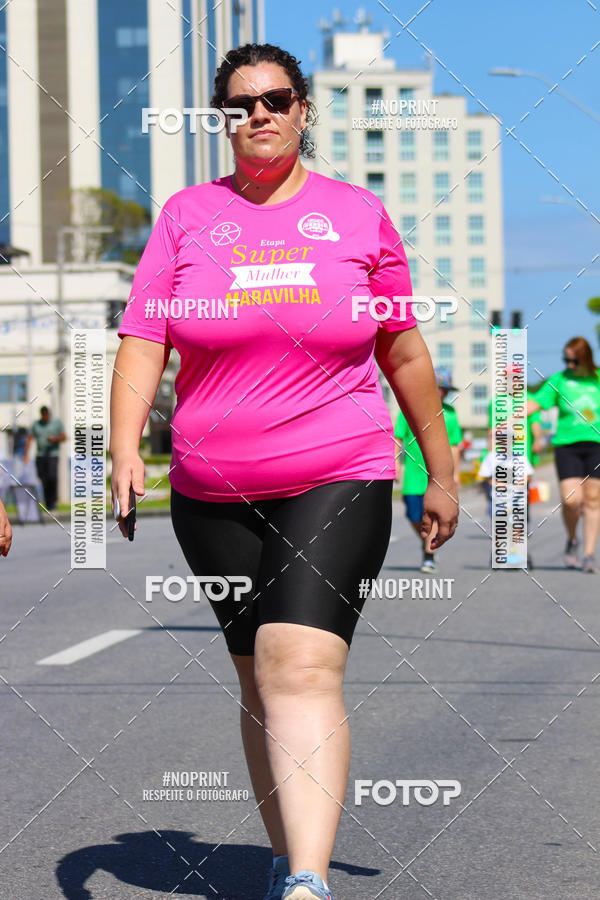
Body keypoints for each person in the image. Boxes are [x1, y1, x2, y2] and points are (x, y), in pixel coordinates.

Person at [110, 43, 458, 900]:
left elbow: (402, 349)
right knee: (256, 673)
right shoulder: (189, 217)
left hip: (339, 469)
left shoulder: (357, 215)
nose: (258, 114)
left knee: (298, 666)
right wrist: (121, 447)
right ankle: (286, 856)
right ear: (221, 120)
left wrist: (440, 469)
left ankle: (305, 881)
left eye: (275, 99)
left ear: (304, 110)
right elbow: (145, 335)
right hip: (210, 489)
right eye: (239, 103)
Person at [528, 337, 600, 573]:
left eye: (574, 360)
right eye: (565, 360)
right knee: (571, 500)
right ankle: (573, 540)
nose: (569, 364)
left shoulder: (597, 379)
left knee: (593, 500)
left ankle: (589, 554)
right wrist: (510, 417)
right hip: (567, 446)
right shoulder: (559, 380)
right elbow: (536, 403)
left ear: (586, 358)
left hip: (596, 446)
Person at [394, 367, 462, 573]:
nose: (442, 392)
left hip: (438, 474)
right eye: (438, 387)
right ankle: (426, 540)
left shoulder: (450, 414)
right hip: (414, 474)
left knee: (432, 515)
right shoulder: (408, 408)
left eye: (445, 389)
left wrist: (455, 473)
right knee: (413, 515)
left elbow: (454, 445)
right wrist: (396, 462)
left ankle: (428, 554)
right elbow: (397, 437)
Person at [24, 405, 65, 510]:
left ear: (49, 415)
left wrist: (55, 439)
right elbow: (30, 438)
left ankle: (53, 502)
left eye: (47, 415)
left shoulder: (56, 423)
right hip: (41, 456)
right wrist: (26, 454)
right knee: (43, 479)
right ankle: (48, 503)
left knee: (52, 477)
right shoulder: (36, 425)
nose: (45, 417)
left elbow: (64, 436)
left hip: (52, 455)